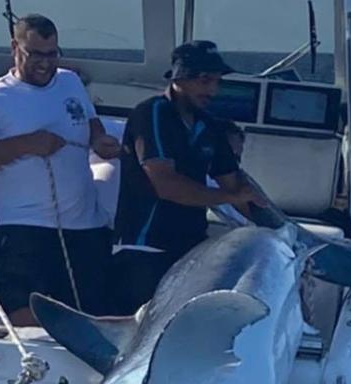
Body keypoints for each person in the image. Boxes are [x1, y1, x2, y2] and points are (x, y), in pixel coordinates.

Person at [0, 13, 121, 326]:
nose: (45, 63)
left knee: (92, 320)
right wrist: (26, 144)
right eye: (36, 55)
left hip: (84, 229)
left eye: (52, 54)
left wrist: (99, 139)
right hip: (23, 230)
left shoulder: (70, 81)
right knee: (30, 323)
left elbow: (90, 121)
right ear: (14, 49)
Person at [112, 40, 266, 314]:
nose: (212, 90)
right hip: (145, 249)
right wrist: (230, 197)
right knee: (143, 330)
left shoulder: (210, 126)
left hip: (190, 251)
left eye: (217, 82)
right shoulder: (152, 114)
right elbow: (165, 184)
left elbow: (235, 184)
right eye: (205, 80)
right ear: (180, 77)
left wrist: (279, 233)